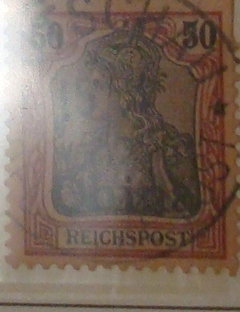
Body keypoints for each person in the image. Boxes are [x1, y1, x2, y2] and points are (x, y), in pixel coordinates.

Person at [49, 27, 204, 219]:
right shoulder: (84, 150)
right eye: (89, 84)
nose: (88, 93)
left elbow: (187, 211)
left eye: (98, 85)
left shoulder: (172, 151)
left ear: (125, 93)